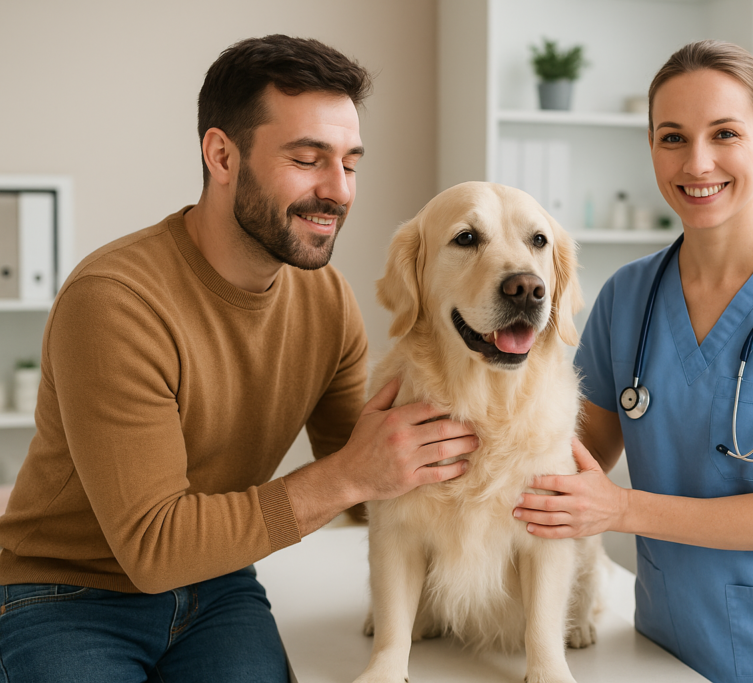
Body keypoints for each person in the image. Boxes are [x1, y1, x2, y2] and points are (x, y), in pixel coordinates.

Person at [0, 35, 477, 682]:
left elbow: (373, 477)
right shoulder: (114, 302)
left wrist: (506, 469)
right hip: (65, 592)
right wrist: (351, 475)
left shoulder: (327, 300)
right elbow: (154, 549)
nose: (338, 191)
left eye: (350, 162)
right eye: (308, 159)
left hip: (217, 584)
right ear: (221, 155)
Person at [513, 40, 753, 683]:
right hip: (668, 638)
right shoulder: (627, 299)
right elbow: (571, 458)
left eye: (725, 134)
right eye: (673, 138)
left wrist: (621, 510)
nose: (698, 163)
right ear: (652, 147)